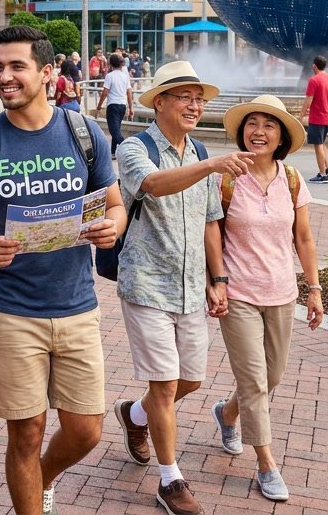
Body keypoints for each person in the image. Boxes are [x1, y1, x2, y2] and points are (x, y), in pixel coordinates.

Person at [0, 25, 126, 515]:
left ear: (47, 74)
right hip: (11, 311)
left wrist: (111, 226)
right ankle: (29, 496)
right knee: (25, 433)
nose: (4, 77)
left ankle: (41, 478)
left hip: (76, 306)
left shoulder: (84, 134)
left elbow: (115, 206)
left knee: (86, 429)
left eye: (16, 67)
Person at [110, 62, 251, 515]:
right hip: (147, 282)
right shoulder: (135, 148)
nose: (196, 105)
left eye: (200, 98)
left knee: (191, 379)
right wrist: (211, 164)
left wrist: (218, 279)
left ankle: (134, 415)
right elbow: (152, 185)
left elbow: (212, 221)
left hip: (192, 286)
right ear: (161, 102)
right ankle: (171, 481)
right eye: (186, 96)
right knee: (166, 386)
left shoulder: (201, 151)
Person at [209, 95, 323, 503]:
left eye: (269, 125)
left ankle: (226, 413)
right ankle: (266, 463)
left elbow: (304, 238)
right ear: (242, 133)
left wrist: (314, 289)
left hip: (282, 293)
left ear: (281, 138)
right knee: (256, 381)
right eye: (252, 123)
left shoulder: (292, 179)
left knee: (272, 377)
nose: (259, 131)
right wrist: (217, 280)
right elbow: (213, 233)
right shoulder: (224, 178)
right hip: (238, 293)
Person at [298, 55, 328, 183]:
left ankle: (322, 174)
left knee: (318, 145)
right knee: (322, 142)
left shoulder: (314, 80)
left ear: (314, 65)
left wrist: (301, 115)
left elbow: (308, 100)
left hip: (318, 118)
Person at [95, 53, 134, 155]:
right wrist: (131, 108)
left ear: (111, 64)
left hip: (112, 106)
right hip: (122, 106)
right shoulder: (125, 77)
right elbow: (129, 93)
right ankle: (112, 152)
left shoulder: (109, 76)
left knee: (114, 131)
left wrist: (99, 106)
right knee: (116, 128)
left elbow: (105, 92)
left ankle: (129, 148)